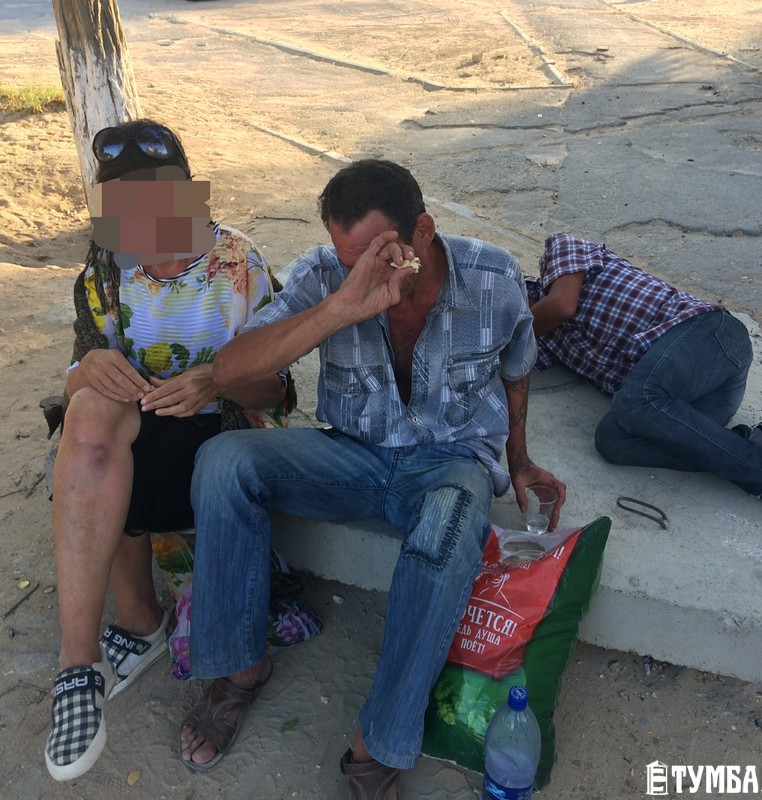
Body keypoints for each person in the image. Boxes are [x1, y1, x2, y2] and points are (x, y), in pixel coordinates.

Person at [178, 159, 566, 797]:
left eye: (379, 255)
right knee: (224, 461)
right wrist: (340, 307)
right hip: (352, 454)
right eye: (348, 259)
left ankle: (378, 744)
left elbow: (517, 367)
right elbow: (231, 368)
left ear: (423, 232)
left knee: (446, 532)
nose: (362, 272)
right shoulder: (325, 276)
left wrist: (519, 460)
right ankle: (239, 671)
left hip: (449, 462)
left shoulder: (492, 276)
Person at [44, 119, 294, 781]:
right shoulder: (106, 268)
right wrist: (86, 370)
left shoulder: (237, 261)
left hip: (227, 439)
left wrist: (216, 379)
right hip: (143, 439)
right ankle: (80, 667)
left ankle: (140, 626)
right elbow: (77, 381)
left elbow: (278, 387)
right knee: (86, 417)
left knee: (102, 458)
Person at [526, 232, 762, 534]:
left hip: (711, 337)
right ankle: (753, 443)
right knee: (612, 440)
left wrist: (516, 331)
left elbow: (561, 306)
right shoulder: (544, 343)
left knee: (636, 400)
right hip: (689, 409)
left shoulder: (560, 251)